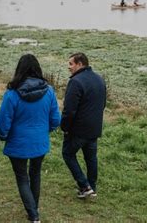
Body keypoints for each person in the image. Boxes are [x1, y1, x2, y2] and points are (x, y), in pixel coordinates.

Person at [0, 54, 61, 222]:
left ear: (19, 70)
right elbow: (55, 119)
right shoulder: (49, 91)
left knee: (22, 177)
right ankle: (34, 209)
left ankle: (33, 215)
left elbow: (3, 121)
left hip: (18, 143)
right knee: (35, 173)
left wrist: (2, 136)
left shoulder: (12, 94)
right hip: (39, 141)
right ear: (38, 69)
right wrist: (44, 131)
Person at [61, 53, 106, 198]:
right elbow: (102, 105)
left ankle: (84, 185)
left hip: (78, 130)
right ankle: (92, 188)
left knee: (67, 154)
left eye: (71, 64)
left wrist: (65, 127)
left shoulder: (75, 82)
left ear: (80, 64)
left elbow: (69, 110)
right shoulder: (99, 79)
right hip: (94, 128)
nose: (69, 67)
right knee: (91, 158)